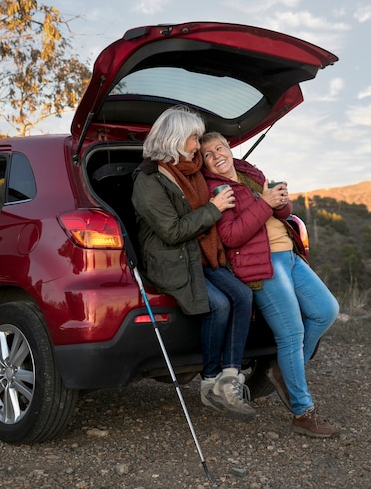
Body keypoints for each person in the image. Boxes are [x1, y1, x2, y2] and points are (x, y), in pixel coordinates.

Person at [200, 131, 341, 438]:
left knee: (326, 310)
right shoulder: (216, 189)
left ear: (229, 148)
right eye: (208, 153)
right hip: (261, 265)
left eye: (220, 147)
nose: (217, 155)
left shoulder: (249, 172)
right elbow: (232, 236)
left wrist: (280, 202)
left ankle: (281, 371)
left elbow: (282, 214)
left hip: (289, 256)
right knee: (292, 333)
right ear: (204, 163)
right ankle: (303, 412)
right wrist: (265, 204)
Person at [131, 107, 255, 421]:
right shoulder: (148, 180)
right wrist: (214, 209)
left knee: (243, 295)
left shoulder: (195, 168)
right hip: (172, 261)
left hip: (201, 255)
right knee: (219, 304)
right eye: (194, 138)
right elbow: (172, 231)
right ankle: (211, 381)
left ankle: (230, 377)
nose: (198, 145)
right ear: (174, 139)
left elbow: (228, 171)